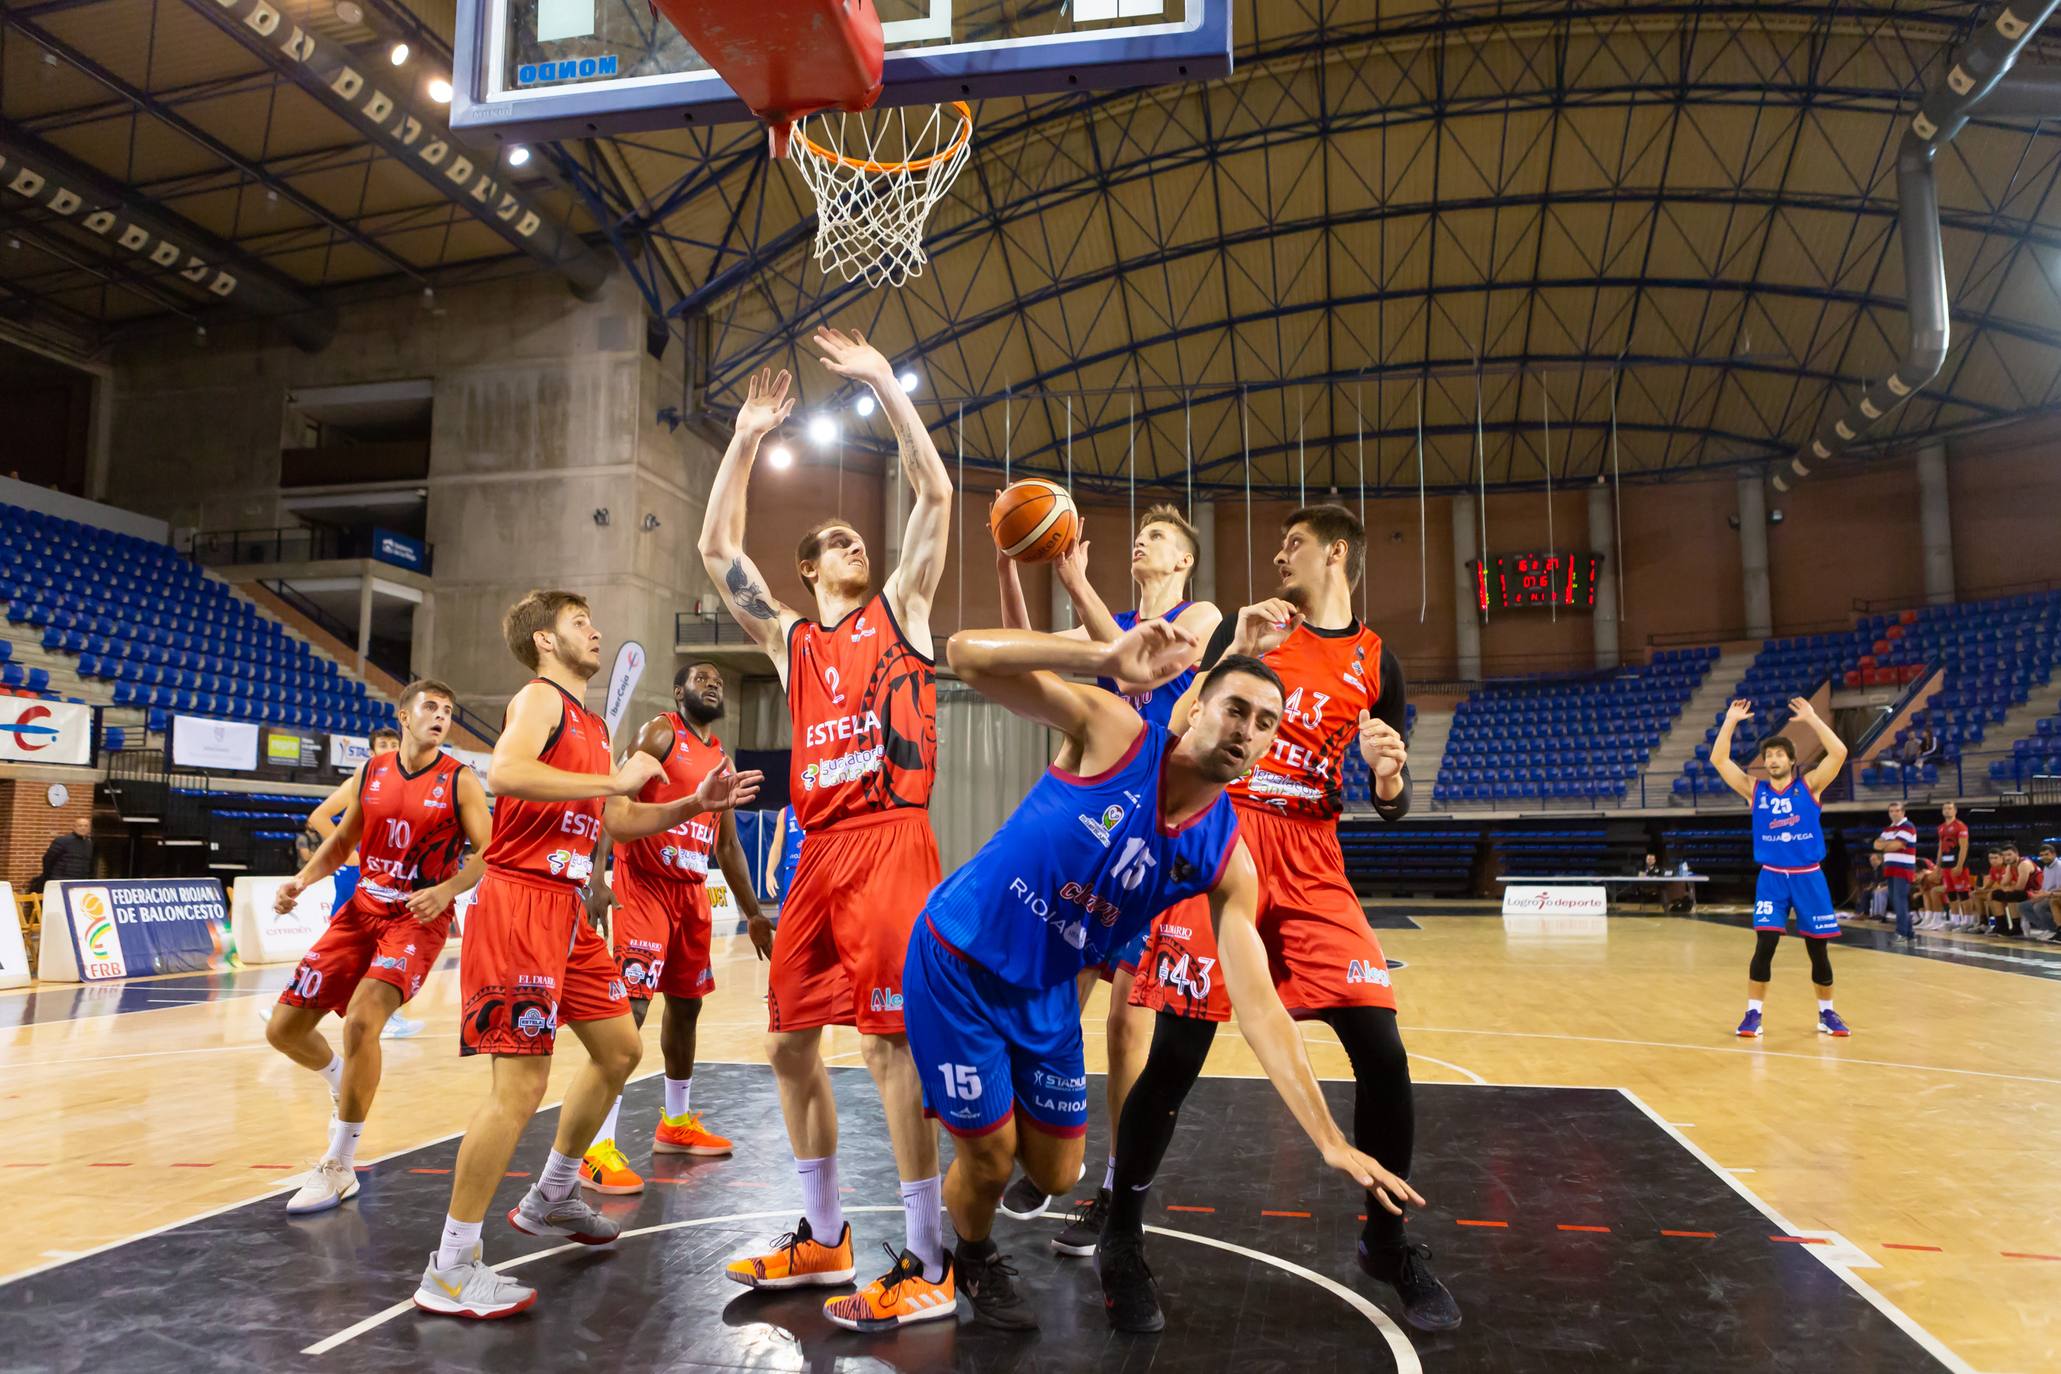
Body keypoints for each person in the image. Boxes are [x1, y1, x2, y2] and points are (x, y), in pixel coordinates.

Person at [844, 618, 1416, 1333]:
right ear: (1197, 703)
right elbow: (963, 654)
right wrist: (1099, 657)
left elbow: (1259, 1006)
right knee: (989, 1163)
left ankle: (980, 1211)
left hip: (1048, 994)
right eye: (1235, 708)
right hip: (958, 961)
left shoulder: (1226, 860)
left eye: (1265, 723)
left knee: (1054, 1175)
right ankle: (960, 1258)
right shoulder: (1114, 733)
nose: (1246, 730)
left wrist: (1328, 1137)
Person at [1107, 504, 1457, 1335]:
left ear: (1335, 552)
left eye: (1293, 543)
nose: (1277, 553)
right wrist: (1235, 652)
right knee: (1178, 1052)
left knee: (1382, 1049)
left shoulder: (1378, 663)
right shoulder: (1249, 625)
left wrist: (1385, 779)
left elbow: (1394, 805)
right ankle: (1120, 1235)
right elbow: (1184, 714)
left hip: (1312, 855)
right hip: (1224, 836)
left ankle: (1386, 1238)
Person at [411, 591, 761, 1320]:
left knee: (619, 1049)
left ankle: (555, 1192)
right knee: (518, 1091)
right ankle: (449, 1267)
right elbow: (504, 772)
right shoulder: (538, 699)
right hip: (518, 903)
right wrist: (613, 779)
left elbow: (619, 819)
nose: (595, 630)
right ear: (544, 640)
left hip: (568, 910)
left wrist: (691, 804)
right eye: (578, 622)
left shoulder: (593, 725)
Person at [696, 335, 955, 1315]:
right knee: (790, 1047)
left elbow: (931, 496)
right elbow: (717, 552)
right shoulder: (790, 635)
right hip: (818, 854)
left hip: (890, 841)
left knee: (888, 1048)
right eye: (837, 544)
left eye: (858, 542)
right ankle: (827, 1239)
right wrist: (745, 440)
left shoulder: (906, 610)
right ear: (807, 571)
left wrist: (887, 383)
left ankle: (930, 1261)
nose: (857, 548)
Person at [991, 503, 1222, 1253]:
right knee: (1054, 1003)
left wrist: (1075, 583)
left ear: (1183, 561)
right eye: (1142, 534)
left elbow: (1143, 655)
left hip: (1158, 835)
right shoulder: (1109, 614)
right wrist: (1008, 570)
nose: (1142, 542)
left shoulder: (1203, 614)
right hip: (1093, 826)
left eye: (1156, 537)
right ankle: (1051, 1145)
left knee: (1128, 1028)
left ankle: (1116, 1191)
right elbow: (1022, 653)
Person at [265, 680, 491, 1215]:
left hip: (415, 918)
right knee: (283, 1030)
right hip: (359, 911)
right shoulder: (370, 772)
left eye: (448, 710)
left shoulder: (460, 781)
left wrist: (447, 889)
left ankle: (340, 1164)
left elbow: (490, 850)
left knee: (362, 1021)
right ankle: (340, 1078)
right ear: (404, 717)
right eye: (431, 707)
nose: (441, 716)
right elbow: (341, 842)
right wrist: (301, 881)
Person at [577, 661, 775, 1193]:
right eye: (701, 677)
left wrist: (754, 912)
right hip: (644, 884)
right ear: (678, 690)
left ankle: (676, 1122)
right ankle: (596, 1147)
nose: (712, 682)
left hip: (690, 892)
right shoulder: (661, 732)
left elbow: (728, 845)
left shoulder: (721, 760)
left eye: (717, 678)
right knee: (632, 1009)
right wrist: (597, 875)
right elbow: (611, 801)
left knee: (687, 1006)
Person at [1709, 697, 1851, 1038]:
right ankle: (1753, 1015)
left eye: (1778, 754)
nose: (1772, 759)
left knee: (1818, 949)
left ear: (1791, 760)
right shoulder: (1752, 790)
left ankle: (1827, 1014)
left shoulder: (1811, 786)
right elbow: (1719, 759)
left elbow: (1839, 753)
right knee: (1765, 945)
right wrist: (1729, 720)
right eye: (1768, 755)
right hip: (1772, 879)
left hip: (1809, 877)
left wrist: (1813, 719)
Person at [299, 726, 426, 1040]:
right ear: (371, 751)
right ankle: (296, 1004)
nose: (388, 748)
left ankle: (381, 1012)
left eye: (393, 743)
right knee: (350, 942)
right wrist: (349, 854)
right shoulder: (360, 779)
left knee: (373, 944)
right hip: (360, 873)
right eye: (382, 744)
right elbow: (319, 817)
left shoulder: (405, 784)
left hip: (387, 874)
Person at [1873, 801, 1919, 940]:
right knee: (1895, 900)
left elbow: (1895, 845)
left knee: (1899, 900)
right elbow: (1876, 844)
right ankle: (1909, 932)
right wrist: (1889, 845)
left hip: (1903, 869)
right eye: (1891, 811)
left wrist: (1885, 845)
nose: (1894, 813)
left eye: (1897, 810)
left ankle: (1902, 932)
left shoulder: (1908, 826)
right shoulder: (1888, 829)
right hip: (1891, 869)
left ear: (1903, 812)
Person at [1935, 802, 1973, 931]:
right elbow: (1940, 847)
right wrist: (1938, 867)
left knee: (1963, 893)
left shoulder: (1960, 826)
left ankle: (1968, 921)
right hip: (1946, 865)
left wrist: (1959, 865)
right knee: (1950, 893)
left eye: (1950, 808)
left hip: (1957, 865)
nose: (1947, 811)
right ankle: (1955, 920)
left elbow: (1964, 847)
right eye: (1944, 808)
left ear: (1955, 811)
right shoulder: (1940, 827)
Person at [33, 816, 93, 891]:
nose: (83, 828)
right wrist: (49, 876)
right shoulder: (63, 841)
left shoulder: (88, 844)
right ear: (74, 827)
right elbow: (48, 859)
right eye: (80, 825)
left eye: (86, 826)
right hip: (60, 881)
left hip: (79, 882)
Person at [1991, 844, 2037, 938]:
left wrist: (2010, 887)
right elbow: (2004, 883)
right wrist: (2008, 887)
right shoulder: (2010, 866)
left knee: (2011, 895)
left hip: (2037, 892)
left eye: (2009, 854)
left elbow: (2020, 887)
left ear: (2016, 854)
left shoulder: (2024, 864)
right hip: (2026, 892)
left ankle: (2017, 927)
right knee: (1994, 895)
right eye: (2004, 855)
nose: (2007, 858)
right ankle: (2002, 927)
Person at [763, 804, 802, 905]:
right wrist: (769, 873)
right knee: (789, 917)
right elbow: (776, 846)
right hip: (793, 871)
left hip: (816, 868)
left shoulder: (823, 807)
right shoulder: (785, 812)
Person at [2019, 843, 2059, 941]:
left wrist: (2043, 895)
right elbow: (2044, 886)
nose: (2044, 857)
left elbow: (2059, 889)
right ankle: (2046, 928)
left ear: (2054, 854)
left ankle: (2053, 930)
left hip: (2055, 896)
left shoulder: (2059, 867)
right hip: (2047, 894)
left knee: (2039, 906)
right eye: (2042, 855)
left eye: (2047, 854)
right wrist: (2038, 894)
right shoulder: (2046, 867)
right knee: (2023, 905)